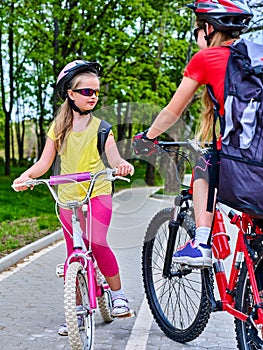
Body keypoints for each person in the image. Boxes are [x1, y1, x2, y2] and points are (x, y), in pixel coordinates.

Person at [13, 60, 134, 335]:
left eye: (96, 92)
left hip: (97, 190)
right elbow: (44, 164)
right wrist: (26, 177)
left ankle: (118, 296)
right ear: (70, 93)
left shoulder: (102, 127)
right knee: (73, 254)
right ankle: (77, 313)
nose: (93, 96)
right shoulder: (58, 128)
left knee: (96, 241)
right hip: (67, 194)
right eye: (86, 91)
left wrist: (121, 165)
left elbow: (114, 159)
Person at [134, 0, 253, 267]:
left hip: (242, 158)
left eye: (197, 30)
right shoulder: (254, 58)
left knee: (204, 164)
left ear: (208, 29)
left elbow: (172, 112)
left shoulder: (207, 58)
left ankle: (200, 242)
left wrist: (148, 137)